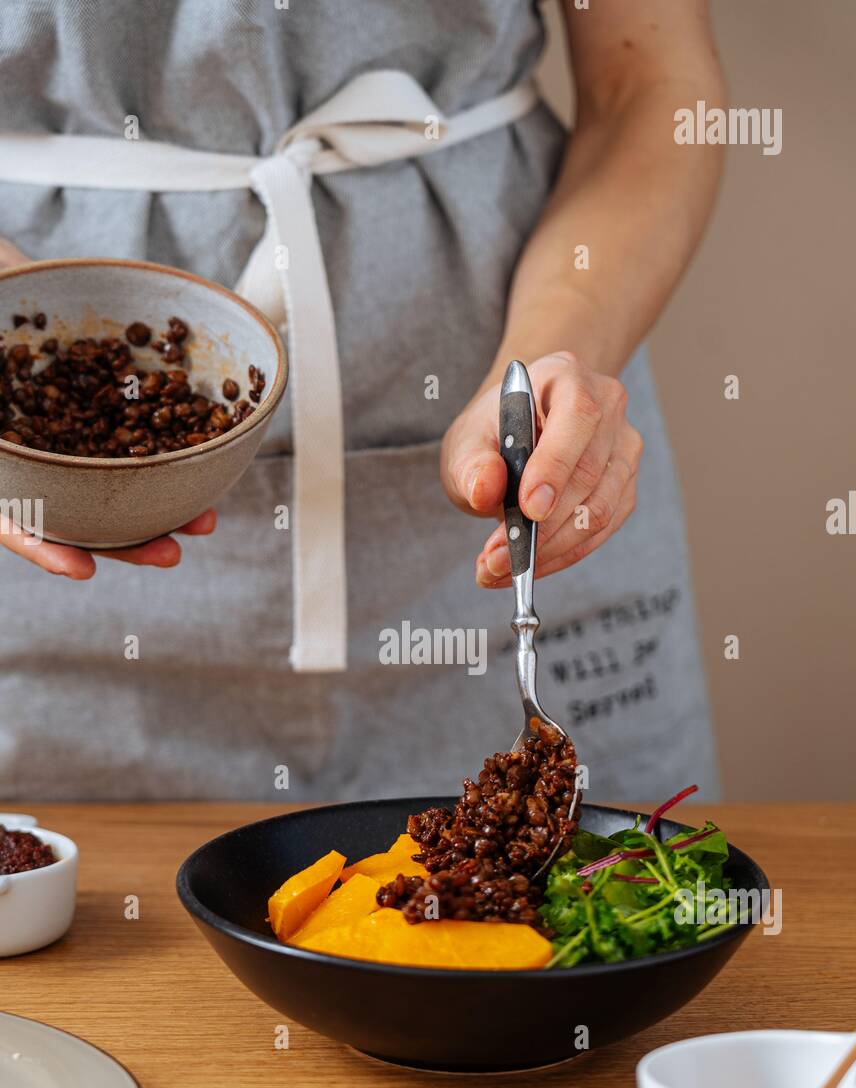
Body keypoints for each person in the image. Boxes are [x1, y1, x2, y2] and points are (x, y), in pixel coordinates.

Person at [0, 0, 726, 803]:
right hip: (40, 556)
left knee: (608, 897)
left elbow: (648, 81)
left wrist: (547, 371)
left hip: (520, 493)